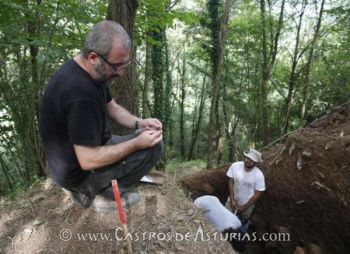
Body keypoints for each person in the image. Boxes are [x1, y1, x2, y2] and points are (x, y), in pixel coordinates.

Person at [39, 21, 164, 211]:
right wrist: (137, 144)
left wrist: (139, 123)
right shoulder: (79, 93)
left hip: (88, 151)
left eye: (125, 65)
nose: (121, 73)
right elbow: (88, 159)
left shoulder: (93, 71)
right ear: (93, 57)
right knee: (154, 148)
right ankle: (94, 194)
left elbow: (112, 107)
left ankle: (99, 186)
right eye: (117, 66)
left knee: (149, 138)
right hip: (79, 174)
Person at [226, 149, 265, 221]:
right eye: (247, 158)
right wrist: (232, 199)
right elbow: (231, 181)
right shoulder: (235, 166)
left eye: (251, 160)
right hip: (232, 200)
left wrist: (245, 206)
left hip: (247, 203)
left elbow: (258, 192)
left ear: (256, 163)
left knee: (243, 220)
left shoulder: (259, 175)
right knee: (226, 217)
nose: (247, 161)